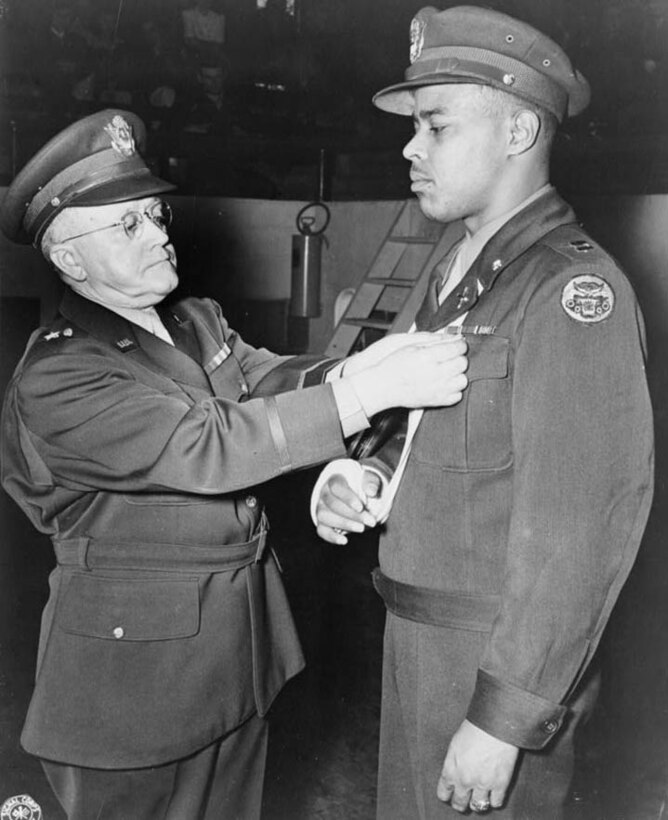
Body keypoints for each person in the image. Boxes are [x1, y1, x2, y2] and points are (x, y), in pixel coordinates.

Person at [0, 109, 469, 819]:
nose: (158, 233)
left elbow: (271, 380)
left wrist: (364, 366)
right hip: (132, 691)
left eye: (154, 213)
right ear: (68, 259)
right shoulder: (59, 374)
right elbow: (209, 442)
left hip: (238, 660)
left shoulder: (194, 319)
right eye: (126, 226)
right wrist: (369, 392)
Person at [312, 6, 654, 818]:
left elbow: (582, 527)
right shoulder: (460, 271)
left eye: (435, 126)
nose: (410, 147)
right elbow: (438, 430)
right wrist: (364, 474)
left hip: (492, 662)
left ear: (518, 131)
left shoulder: (571, 293)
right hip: (419, 640)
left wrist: (505, 718)